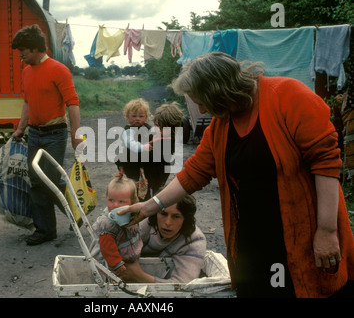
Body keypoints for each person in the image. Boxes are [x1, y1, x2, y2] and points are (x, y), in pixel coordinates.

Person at [120, 51, 354, 298]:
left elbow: (326, 163)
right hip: (251, 237)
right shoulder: (221, 125)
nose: (199, 108)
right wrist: (148, 207)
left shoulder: (289, 96)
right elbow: (195, 172)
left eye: (201, 100)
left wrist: (327, 231)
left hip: (302, 232)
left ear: (219, 91)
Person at [11, 24, 82, 245]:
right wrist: (21, 128)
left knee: (49, 179)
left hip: (55, 134)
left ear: (34, 48)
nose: (20, 55)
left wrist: (75, 135)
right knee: (36, 181)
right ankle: (45, 231)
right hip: (34, 133)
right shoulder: (26, 71)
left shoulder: (59, 69)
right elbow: (27, 103)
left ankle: (76, 212)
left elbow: (73, 103)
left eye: (22, 50)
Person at [119, 193, 206, 284]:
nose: (168, 222)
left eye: (176, 216)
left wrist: (139, 276)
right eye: (163, 214)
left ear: (185, 219)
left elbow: (184, 285)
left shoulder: (195, 240)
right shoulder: (144, 223)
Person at [90, 175, 142, 276]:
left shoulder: (132, 215)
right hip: (108, 261)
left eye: (121, 201)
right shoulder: (108, 223)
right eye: (111, 200)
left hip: (126, 254)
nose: (115, 205)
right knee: (112, 279)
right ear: (106, 198)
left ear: (133, 202)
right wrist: (115, 264)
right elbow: (107, 247)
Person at [115, 98, 153, 200]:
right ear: (127, 117)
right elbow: (129, 143)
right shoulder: (128, 130)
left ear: (146, 117)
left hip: (145, 163)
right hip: (130, 163)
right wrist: (143, 147)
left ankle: (146, 200)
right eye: (134, 116)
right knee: (133, 184)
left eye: (141, 116)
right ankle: (134, 202)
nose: (137, 119)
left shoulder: (148, 128)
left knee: (147, 183)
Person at [143, 103, 184, 197]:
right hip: (148, 173)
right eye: (157, 125)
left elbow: (146, 155)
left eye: (164, 128)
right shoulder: (155, 135)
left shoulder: (169, 142)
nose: (159, 130)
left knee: (154, 196)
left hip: (157, 175)